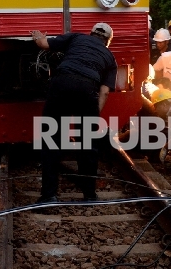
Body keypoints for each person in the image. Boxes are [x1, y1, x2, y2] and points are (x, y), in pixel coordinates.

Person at [31, 22, 117, 202]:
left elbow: (44, 45)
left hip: (62, 83)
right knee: (87, 145)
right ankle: (89, 196)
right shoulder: (110, 57)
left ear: (91, 33)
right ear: (108, 41)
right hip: (87, 90)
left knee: (52, 139)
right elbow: (105, 91)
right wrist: (93, 116)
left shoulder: (77, 37)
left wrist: (38, 36)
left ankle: (49, 196)